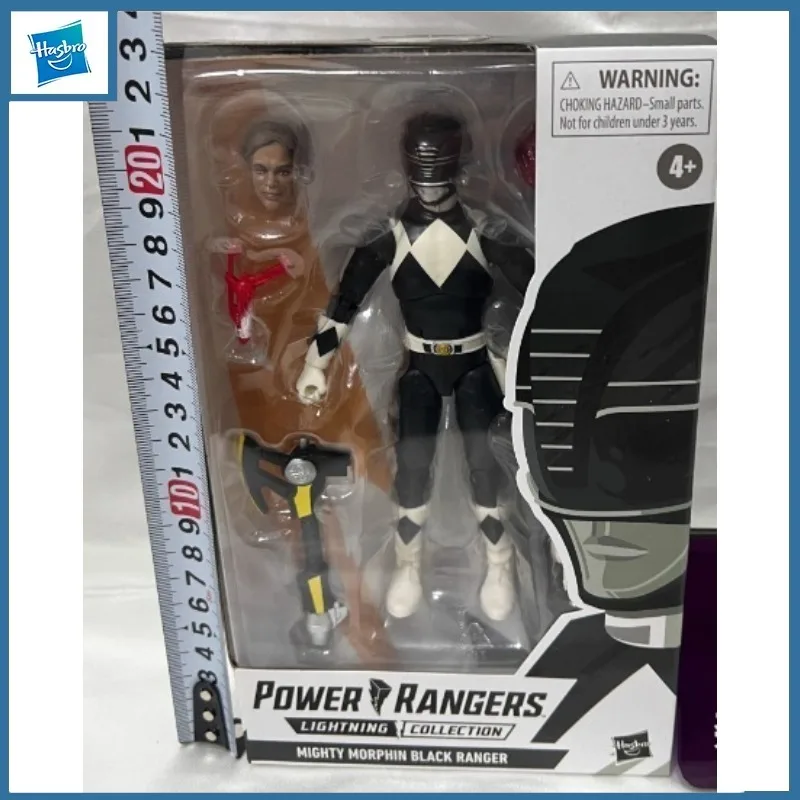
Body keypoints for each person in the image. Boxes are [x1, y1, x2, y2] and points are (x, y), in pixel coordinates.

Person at [296, 111, 535, 621]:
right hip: (420, 367)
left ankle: (499, 562)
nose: (430, 185)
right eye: (424, 173)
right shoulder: (391, 234)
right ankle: (408, 565)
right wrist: (317, 362)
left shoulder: (483, 229)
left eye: (438, 171)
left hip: (475, 364)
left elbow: (538, 290)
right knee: (412, 469)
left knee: (485, 468)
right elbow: (346, 299)